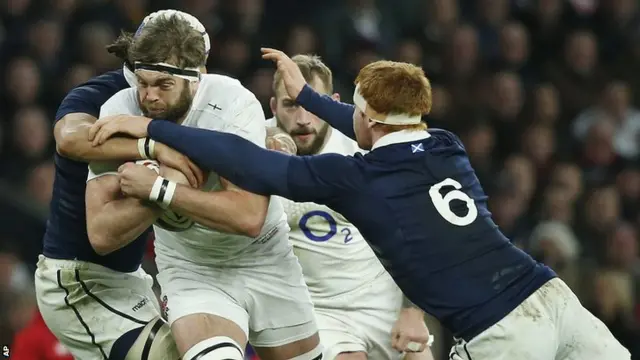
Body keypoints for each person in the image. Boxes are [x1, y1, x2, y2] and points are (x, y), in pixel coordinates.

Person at [92, 48, 632, 360]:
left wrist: (153, 127)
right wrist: (305, 96)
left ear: (367, 120)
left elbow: (251, 163)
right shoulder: (446, 144)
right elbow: (372, 121)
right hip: (551, 296)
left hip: (501, 333)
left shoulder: (356, 176)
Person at [87, 16, 321, 360]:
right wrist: (159, 187)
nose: (149, 96)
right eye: (142, 82)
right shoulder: (119, 110)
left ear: (196, 78)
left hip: (264, 254)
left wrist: (160, 189)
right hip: (190, 267)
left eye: (163, 84)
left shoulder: (231, 104)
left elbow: (248, 217)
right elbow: (101, 235)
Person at [34, 9, 206, 360]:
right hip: (78, 278)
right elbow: (68, 138)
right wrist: (152, 146)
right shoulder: (102, 93)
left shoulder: (192, 101)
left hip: (131, 276)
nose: (152, 95)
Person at [265, 54, 434, 360]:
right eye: (291, 105)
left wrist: (414, 310)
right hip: (317, 311)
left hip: (384, 303)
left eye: (311, 104)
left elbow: (421, 229)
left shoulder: (366, 148)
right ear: (274, 107)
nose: (303, 118)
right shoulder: (255, 147)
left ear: (331, 102)